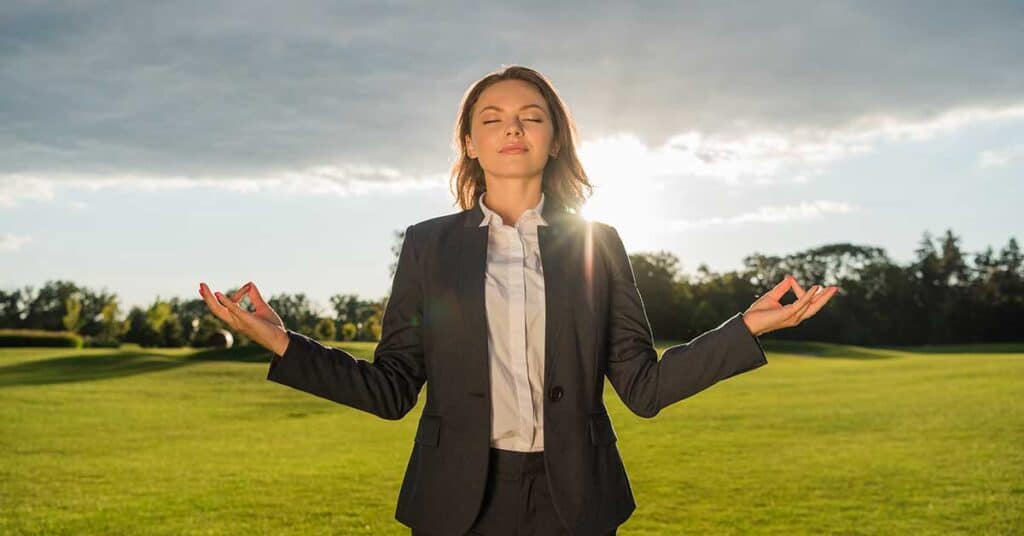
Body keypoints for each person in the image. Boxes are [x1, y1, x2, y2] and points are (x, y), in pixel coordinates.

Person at [199, 65, 838, 535]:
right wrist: (281, 341)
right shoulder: (428, 247)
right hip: (457, 502)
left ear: (554, 139)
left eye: (531, 116)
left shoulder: (598, 245)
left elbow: (643, 387)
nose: (513, 128)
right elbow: (392, 388)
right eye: (492, 119)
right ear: (470, 145)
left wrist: (746, 328)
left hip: (576, 500)